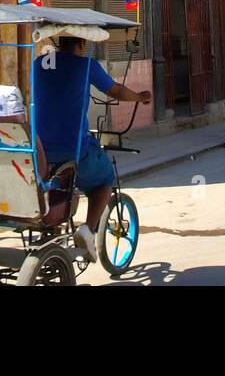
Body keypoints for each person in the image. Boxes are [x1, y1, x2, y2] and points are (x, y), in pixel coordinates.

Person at [32, 35, 150, 262]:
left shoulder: (39, 63)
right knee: (105, 180)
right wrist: (140, 97)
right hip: (72, 152)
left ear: (58, 43)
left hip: (41, 153)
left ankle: (53, 231)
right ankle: (87, 229)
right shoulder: (86, 65)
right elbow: (115, 90)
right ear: (82, 44)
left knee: (53, 182)